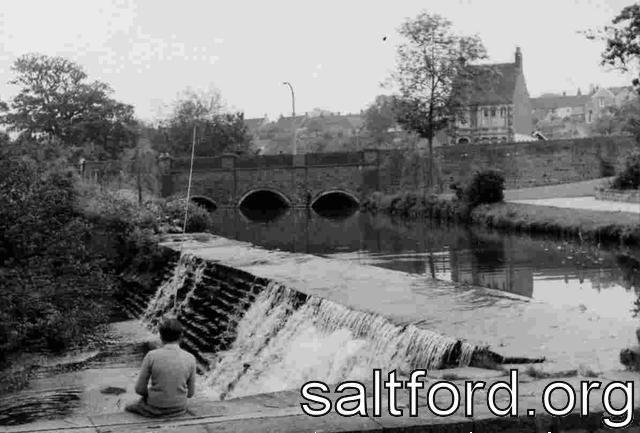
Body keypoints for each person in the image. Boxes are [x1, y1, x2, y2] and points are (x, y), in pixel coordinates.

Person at [125, 316, 197, 417]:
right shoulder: (191, 358)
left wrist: (154, 395)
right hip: (179, 409)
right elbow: (190, 394)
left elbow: (139, 389)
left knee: (127, 406)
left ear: (160, 337)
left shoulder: (151, 356)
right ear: (181, 336)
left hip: (155, 408)